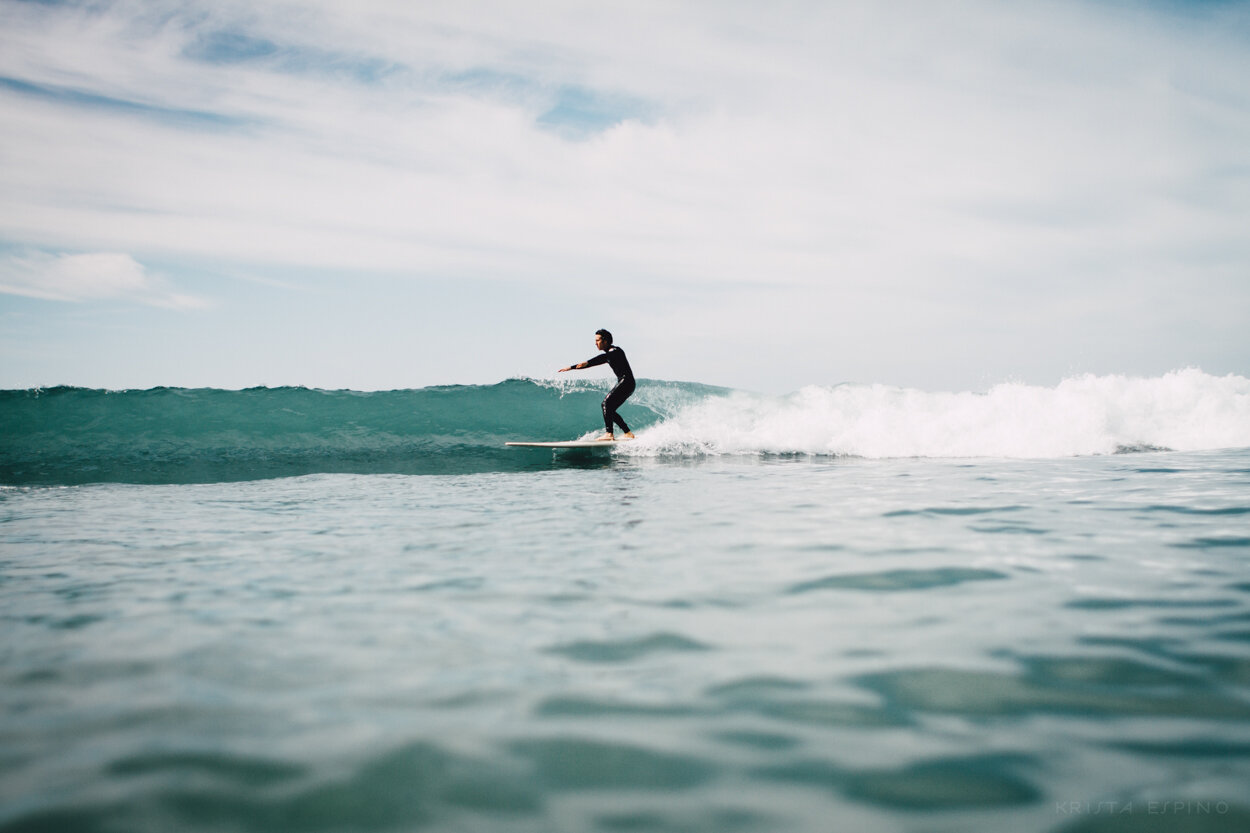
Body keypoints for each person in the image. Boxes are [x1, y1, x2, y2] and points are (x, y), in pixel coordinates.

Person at [559, 329, 636, 441]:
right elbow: (597, 361)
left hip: (626, 382)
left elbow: (599, 359)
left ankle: (609, 434)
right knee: (609, 409)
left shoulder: (615, 351)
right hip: (628, 383)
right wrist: (573, 367)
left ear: (605, 341)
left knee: (605, 404)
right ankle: (628, 433)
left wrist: (580, 365)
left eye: (597, 340)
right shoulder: (610, 353)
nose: (595, 343)